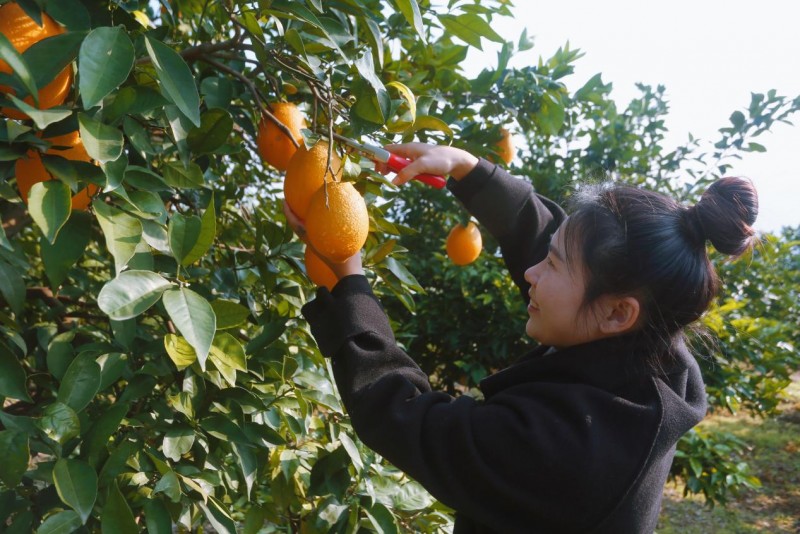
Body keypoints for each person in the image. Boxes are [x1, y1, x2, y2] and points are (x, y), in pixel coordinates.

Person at [284, 143, 759, 533]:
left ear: (617, 312)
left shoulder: (565, 451)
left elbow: (407, 416)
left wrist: (345, 277)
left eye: (552, 265)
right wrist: (467, 169)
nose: (532, 271)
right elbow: (550, 240)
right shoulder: (654, 349)